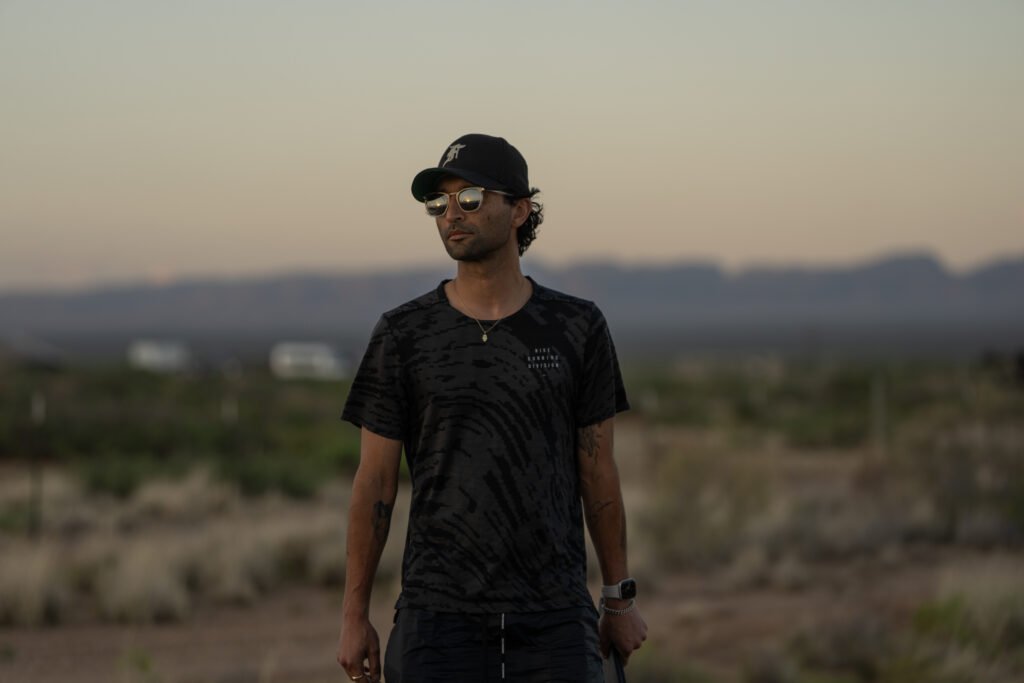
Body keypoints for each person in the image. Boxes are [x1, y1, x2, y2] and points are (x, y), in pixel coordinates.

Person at [336, 133, 647, 682]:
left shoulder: (578, 327)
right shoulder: (404, 333)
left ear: (520, 209)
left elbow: (597, 471)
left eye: (471, 199)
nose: (451, 214)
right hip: (437, 618)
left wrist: (617, 599)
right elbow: (375, 482)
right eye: (439, 203)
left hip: (554, 617)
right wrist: (354, 614)